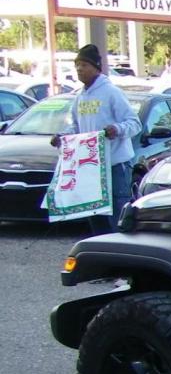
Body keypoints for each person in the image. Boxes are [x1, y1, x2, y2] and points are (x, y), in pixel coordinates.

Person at [52, 44, 141, 234]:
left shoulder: (111, 93)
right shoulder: (79, 98)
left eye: (84, 65)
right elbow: (75, 127)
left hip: (115, 165)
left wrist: (116, 129)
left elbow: (135, 123)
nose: (79, 69)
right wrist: (62, 138)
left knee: (118, 216)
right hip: (90, 167)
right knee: (95, 216)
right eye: (77, 65)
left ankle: (124, 256)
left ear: (96, 68)